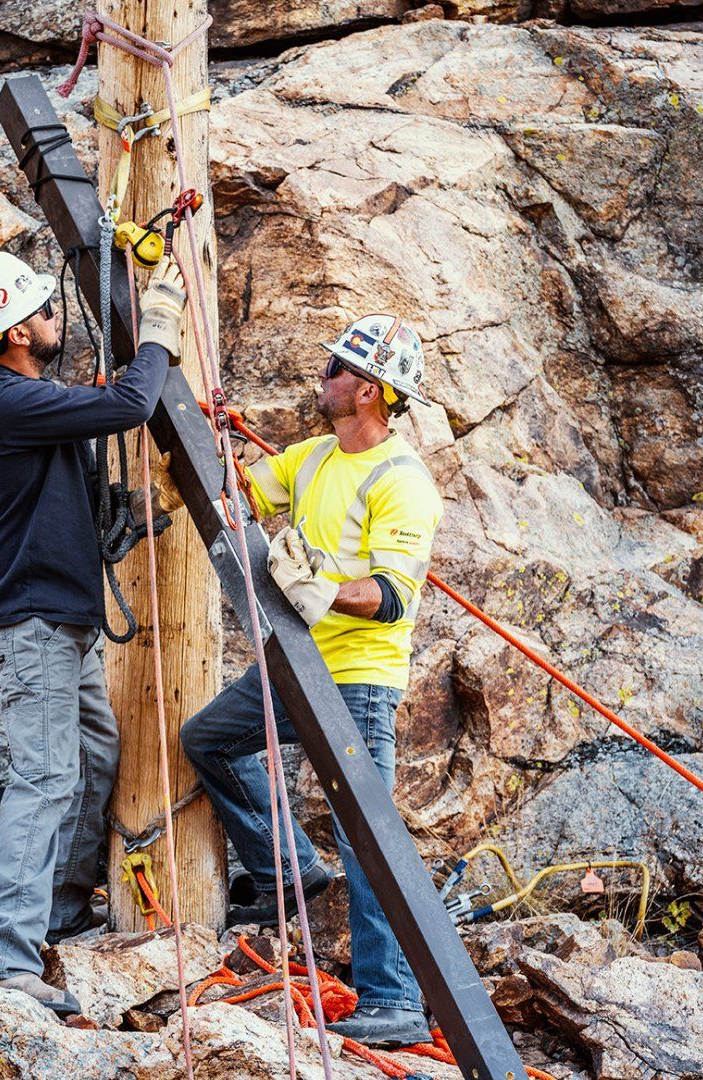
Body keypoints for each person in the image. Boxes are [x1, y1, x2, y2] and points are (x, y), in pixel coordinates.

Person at [180, 314, 444, 1048]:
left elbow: (391, 597)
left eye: (334, 368)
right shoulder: (314, 458)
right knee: (208, 739)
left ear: (367, 389)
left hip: (357, 679)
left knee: (369, 839)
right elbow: (243, 490)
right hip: (296, 663)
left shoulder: (405, 483)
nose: (322, 376)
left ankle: (391, 999)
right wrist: (212, 438)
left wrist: (321, 584)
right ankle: (292, 867)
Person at [0, 250, 187, 1016]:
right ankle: (1, 960)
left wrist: (127, 516)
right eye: (46, 311)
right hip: (37, 623)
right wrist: (162, 333)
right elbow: (129, 406)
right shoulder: (7, 402)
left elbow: (76, 483)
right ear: (17, 328)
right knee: (46, 777)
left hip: (58, 618)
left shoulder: (27, 401)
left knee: (93, 752)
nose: (57, 320)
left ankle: (56, 908)